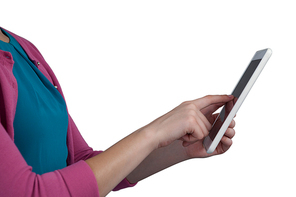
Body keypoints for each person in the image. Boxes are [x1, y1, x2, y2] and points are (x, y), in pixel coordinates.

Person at [0, 27, 236, 197]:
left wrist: (181, 147)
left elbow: (81, 163)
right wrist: (154, 132)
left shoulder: (22, 47)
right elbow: (26, 192)